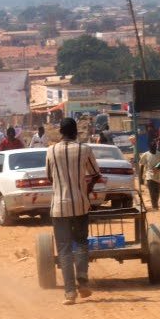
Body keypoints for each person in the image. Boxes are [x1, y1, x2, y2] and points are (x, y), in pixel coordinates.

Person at [46, 117, 101, 305]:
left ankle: (70, 293)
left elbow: (49, 178)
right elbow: (95, 174)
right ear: (76, 132)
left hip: (59, 207)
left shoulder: (51, 151)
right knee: (81, 243)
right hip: (80, 205)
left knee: (64, 249)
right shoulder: (84, 149)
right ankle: (83, 280)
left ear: (60, 132)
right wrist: (87, 190)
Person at [139, 141, 160, 210]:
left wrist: (157, 167)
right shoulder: (146, 154)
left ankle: (155, 204)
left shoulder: (159, 154)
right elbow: (142, 166)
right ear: (149, 147)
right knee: (152, 192)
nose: (154, 148)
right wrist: (140, 178)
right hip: (149, 176)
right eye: (152, 146)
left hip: (157, 177)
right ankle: (155, 206)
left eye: (155, 146)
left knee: (157, 192)